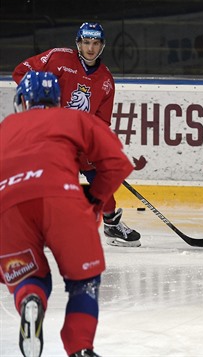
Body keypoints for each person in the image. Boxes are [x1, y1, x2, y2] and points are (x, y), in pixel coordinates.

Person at [0, 72, 134, 356]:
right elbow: (118, 163)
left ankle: (30, 298)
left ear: (22, 101)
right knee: (83, 282)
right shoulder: (74, 119)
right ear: (58, 99)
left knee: (29, 276)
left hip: (8, 207)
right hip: (62, 199)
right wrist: (96, 199)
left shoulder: (5, 127)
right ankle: (80, 347)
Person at [12, 22, 141, 247]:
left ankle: (111, 225)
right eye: (86, 42)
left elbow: (101, 120)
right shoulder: (58, 58)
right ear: (78, 43)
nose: (90, 48)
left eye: (95, 43)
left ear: (102, 46)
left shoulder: (106, 80)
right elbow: (21, 72)